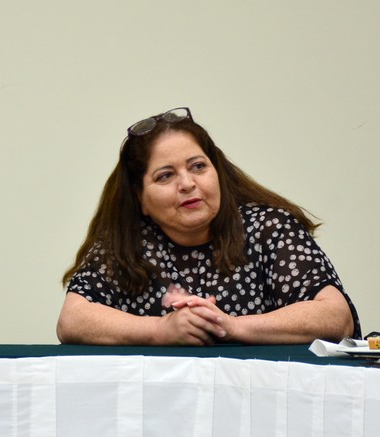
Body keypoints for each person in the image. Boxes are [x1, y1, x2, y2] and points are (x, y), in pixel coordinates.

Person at [58, 107, 359, 346]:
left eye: (198, 166)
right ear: (141, 200)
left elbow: (335, 316)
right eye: (165, 176)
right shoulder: (128, 242)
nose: (188, 184)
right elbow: (72, 320)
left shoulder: (268, 227)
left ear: (218, 172)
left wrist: (229, 326)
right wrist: (160, 330)